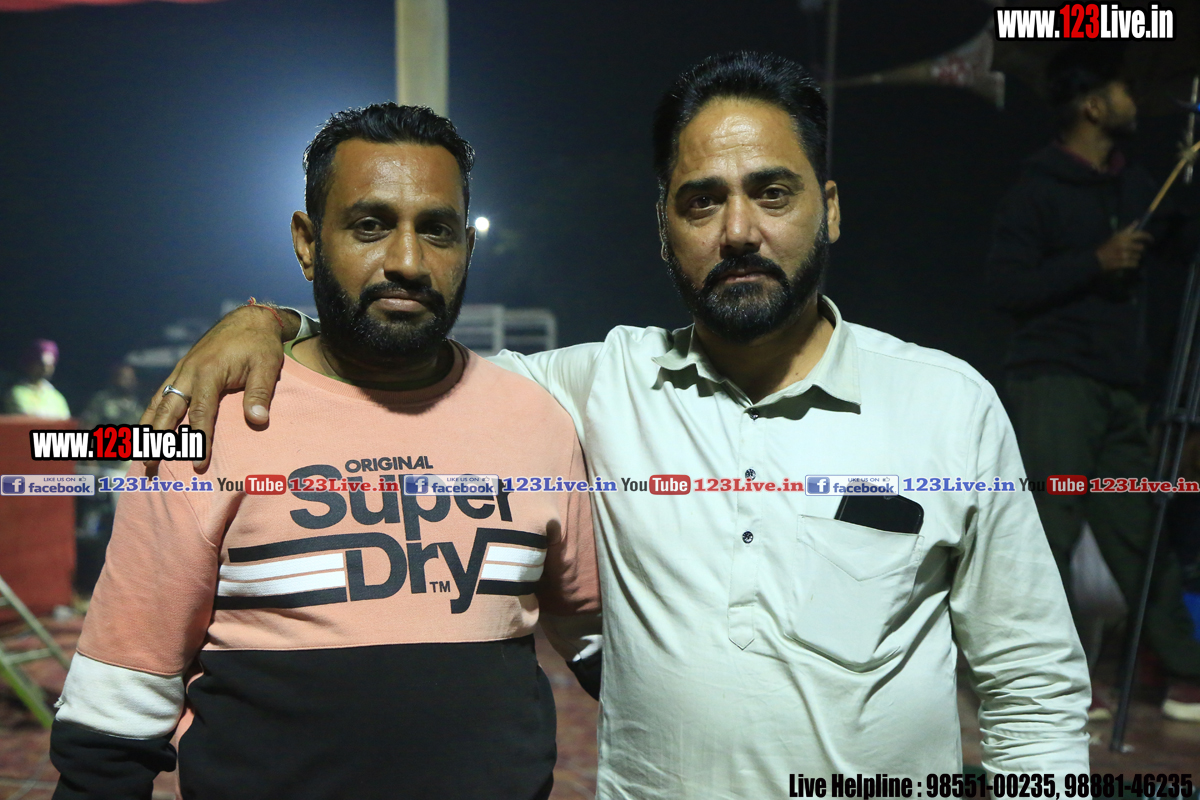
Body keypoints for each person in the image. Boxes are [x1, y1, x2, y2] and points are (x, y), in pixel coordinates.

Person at [143, 53, 1090, 791]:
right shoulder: (588, 391)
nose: (739, 231)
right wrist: (275, 320)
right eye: (702, 202)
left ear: (829, 209)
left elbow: (1033, 684)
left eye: (772, 191)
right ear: (664, 227)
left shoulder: (947, 405)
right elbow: (394, 351)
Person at [50, 104, 600, 800]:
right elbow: (115, 714)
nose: (407, 261)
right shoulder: (205, 428)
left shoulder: (536, 419)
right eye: (370, 225)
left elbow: (601, 643)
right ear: (307, 243)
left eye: (436, 230)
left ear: (467, 246)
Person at [986, 45, 1200, 722]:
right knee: (1048, 530)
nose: (1135, 102)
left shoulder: (1134, 184)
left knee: (1141, 530)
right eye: (1123, 90)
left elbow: (1180, 240)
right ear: (1092, 105)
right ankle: (1039, 678)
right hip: (1056, 384)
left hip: (1119, 388)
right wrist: (1094, 261)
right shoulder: (1037, 189)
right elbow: (1008, 287)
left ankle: (1188, 673)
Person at [74, 363, 144, 595]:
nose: (127, 381)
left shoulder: (137, 405)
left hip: (131, 471)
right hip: (106, 470)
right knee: (106, 527)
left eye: (130, 377)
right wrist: (91, 465)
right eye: (122, 377)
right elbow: (86, 432)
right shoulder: (102, 401)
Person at [4, 339, 69, 419]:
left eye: (50, 365)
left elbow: (65, 421)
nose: (45, 368)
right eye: (41, 364)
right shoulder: (17, 393)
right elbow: (27, 419)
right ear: (31, 363)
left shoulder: (57, 397)